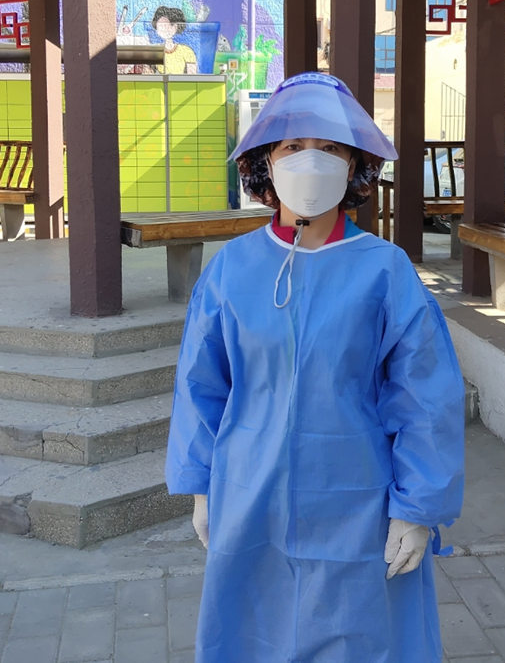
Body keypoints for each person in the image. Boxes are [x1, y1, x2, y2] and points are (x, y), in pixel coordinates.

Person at [165, 72, 465, 663]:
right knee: (251, 632)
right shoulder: (232, 269)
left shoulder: (385, 270)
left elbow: (425, 397)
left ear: (354, 166)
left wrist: (417, 507)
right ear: (265, 163)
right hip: (250, 492)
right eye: (292, 146)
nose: (310, 159)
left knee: (360, 636)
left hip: (357, 499)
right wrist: (200, 483)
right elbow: (201, 386)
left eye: (329, 147)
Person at [152, 6, 198, 74]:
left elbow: (192, 76)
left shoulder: (187, 51)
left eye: (166, 26)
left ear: (175, 27)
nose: (163, 30)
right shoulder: (155, 51)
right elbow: (148, 73)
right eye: (160, 27)